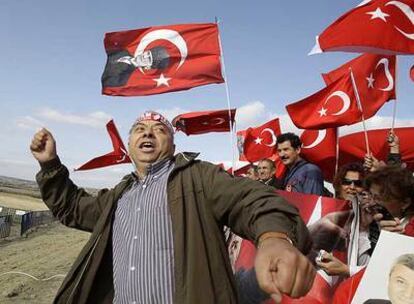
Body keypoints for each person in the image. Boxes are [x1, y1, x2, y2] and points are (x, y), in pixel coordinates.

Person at [30, 111, 316, 304]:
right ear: (130, 143)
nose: (148, 134)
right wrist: (50, 165)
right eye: (140, 130)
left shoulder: (199, 178)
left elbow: (251, 199)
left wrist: (275, 238)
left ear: (172, 141)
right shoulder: (119, 195)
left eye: (159, 130)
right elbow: (74, 208)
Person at [332, 165, 414, 303]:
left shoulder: (408, 232)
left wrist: (395, 242)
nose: (372, 202)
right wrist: (363, 227)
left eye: (379, 197)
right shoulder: (373, 221)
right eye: (371, 195)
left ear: (405, 203)